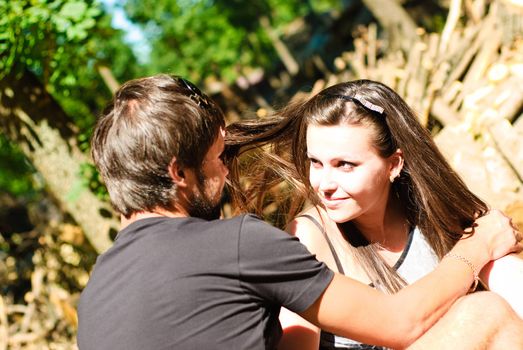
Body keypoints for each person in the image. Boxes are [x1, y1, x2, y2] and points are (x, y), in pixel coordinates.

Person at [77, 74, 522, 350]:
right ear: (180, 173)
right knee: (485, 316)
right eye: (219, 158)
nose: (228, 175)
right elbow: (400, 323)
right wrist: (480, 243)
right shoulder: (235, 241)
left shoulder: (96, 293)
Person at [225, 79, 523, 349]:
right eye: (316, 163)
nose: (324, 184)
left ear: (394, 165)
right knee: (483, 312)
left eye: (345, 165)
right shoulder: (309, 238)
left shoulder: (434, 213)